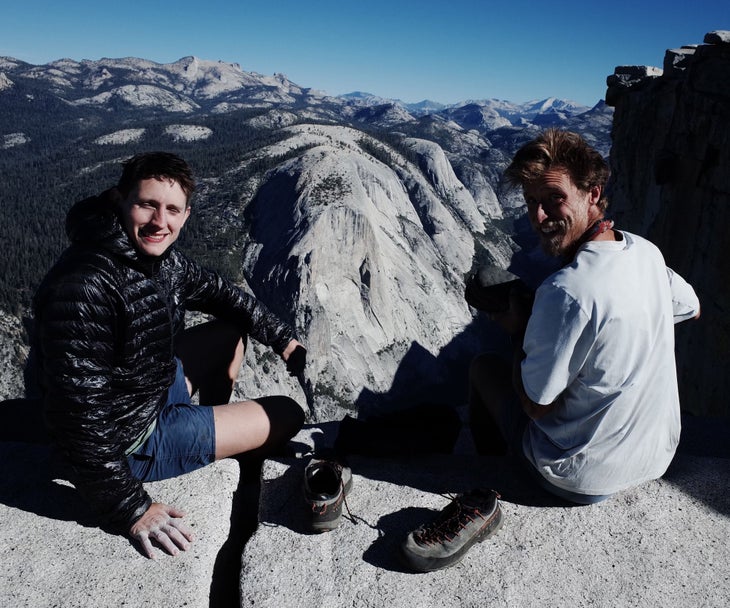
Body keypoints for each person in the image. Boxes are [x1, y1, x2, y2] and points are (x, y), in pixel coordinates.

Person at [399, 129, 700, 572]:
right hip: (656, 456)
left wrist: (519, 329)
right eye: (531, 203)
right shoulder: (646, 253)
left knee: (484, 367)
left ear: (592, 194)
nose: (539, 215)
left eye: (554, 199)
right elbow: (690, 310)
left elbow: (537, 405)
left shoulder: (568, 291)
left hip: (582, 478)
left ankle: (490, 482)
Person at [32, 152, 306, 559]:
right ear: (118, 200)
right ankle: (206, 440)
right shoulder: (85, 285)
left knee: (230, 332)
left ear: (186, 214)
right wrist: (131, 508)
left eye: (172, 210)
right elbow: (79, 417)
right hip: (131, 436)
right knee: (288, 414)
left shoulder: (159, 259)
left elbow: (221, 294)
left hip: (151, 388)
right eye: (147, 205)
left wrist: (283, 340)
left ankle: (214, 434)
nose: (160, 222)